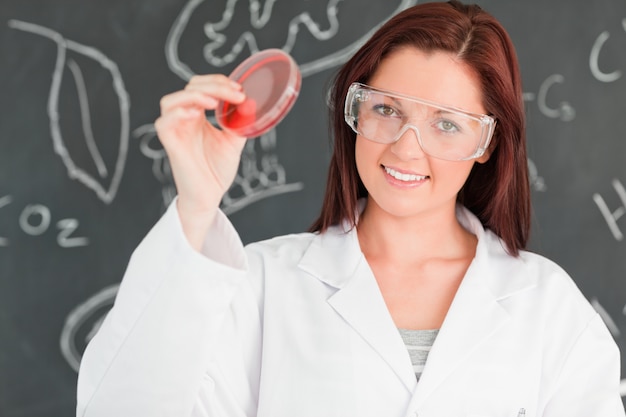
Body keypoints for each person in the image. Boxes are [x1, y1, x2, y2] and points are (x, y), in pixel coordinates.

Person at [76, 1, 625, 416]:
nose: (407, 147)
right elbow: (122, 405)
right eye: (386, 109)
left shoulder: (548, 308)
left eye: (447, 124)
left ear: (487, 145)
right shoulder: (265, 285)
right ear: (352, 111)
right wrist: (197, 204)